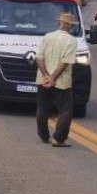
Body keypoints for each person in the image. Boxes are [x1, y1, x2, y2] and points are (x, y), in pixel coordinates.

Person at [36, 11, 79, 147]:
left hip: (43, 79)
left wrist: (46, 76)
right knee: (65, 110)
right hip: (61, 82)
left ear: (59, 23)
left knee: (42, 108)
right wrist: (53, 78)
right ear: (70, 26)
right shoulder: (71, 41)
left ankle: (43, 136)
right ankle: (59, 138)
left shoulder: (47, 37)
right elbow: (65, 62)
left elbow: (39, 57)